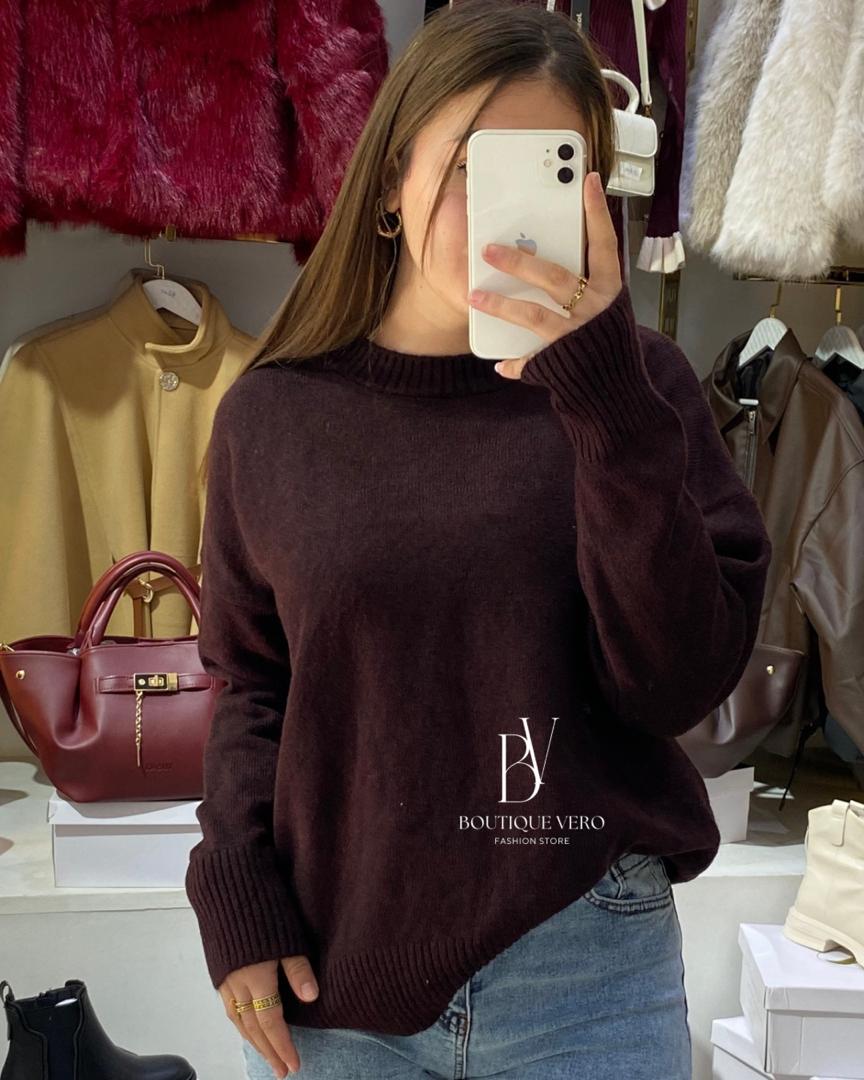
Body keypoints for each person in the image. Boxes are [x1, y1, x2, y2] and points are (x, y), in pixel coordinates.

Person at [184, 2, 773, 1078]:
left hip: (586, 961)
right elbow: (251, 684)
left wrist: (605, 401)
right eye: (470, 167)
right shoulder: (273, 417)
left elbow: (677, 682)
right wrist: (235, 892)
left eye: (551, 170)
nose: (502, 210)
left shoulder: (643, 393)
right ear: (391, 182)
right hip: (339, 976)